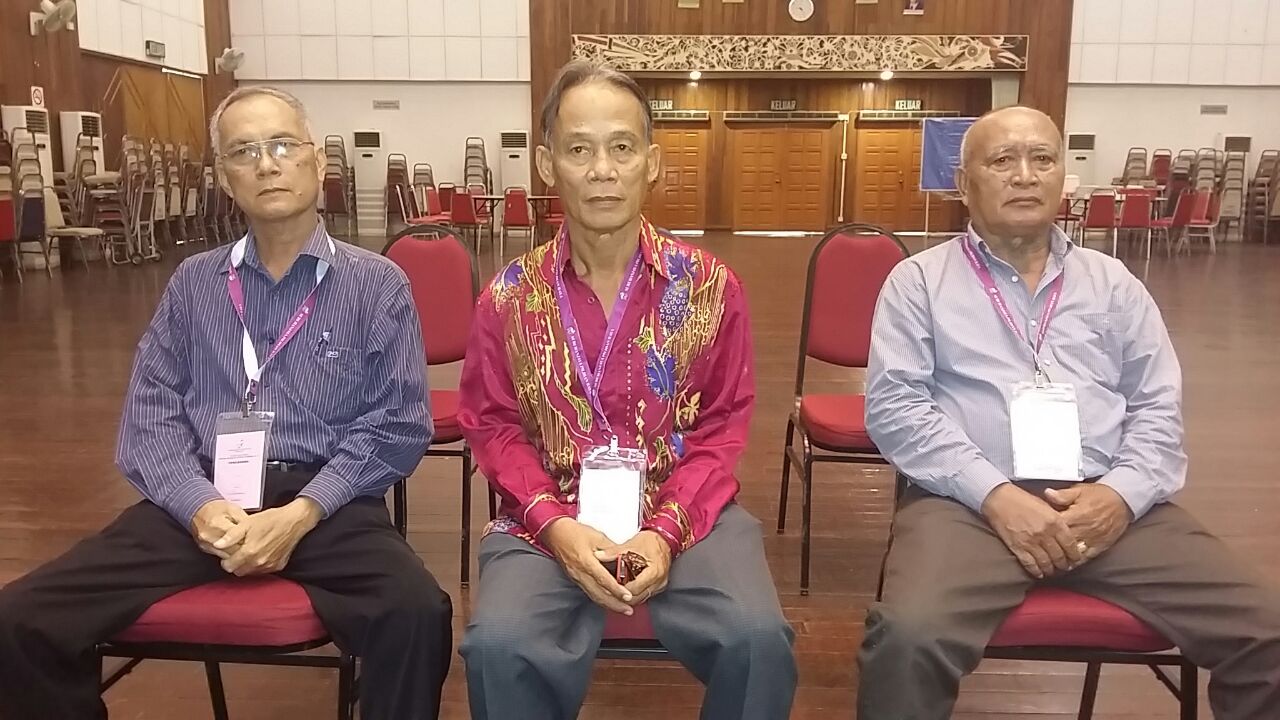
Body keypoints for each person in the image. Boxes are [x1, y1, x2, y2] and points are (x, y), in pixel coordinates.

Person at [0, 87, 452, 720]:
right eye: (244, 151)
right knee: (19, 622)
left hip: (323, 501)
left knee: (417, 614)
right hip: (204, 500)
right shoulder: (192, 285)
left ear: (315, 161)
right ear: (224, 178)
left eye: (282, 145)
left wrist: (299, 513)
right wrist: (199, 506)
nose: (266, 164)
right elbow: (149, 422)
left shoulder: (376, 284)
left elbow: (399, 423)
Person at [857, 105, 1280, 719]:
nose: (1025, 175)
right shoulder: (918, 282)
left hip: (1111, 506)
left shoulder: (1115, 285)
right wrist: (997, 495)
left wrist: (1122, 496)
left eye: (1043, 159)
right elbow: (896, 409)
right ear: (964, 183)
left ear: (1063, 178)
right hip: (970, 505)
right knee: (907, 638)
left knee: (1267, 630)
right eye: (1002, 160)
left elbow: (1158, 407)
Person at [457, 60, 797, 720]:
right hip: (546, 517)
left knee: (759, 642)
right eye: (579, 149)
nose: (602, 169)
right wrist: (556, 527)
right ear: (548, 162)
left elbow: (723, 426)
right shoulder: (507, 298)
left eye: (621, 147)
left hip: (686, 511)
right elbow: (493, 426)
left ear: (653, 162)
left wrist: (665, 532)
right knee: (497, 647)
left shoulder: (709, 288)